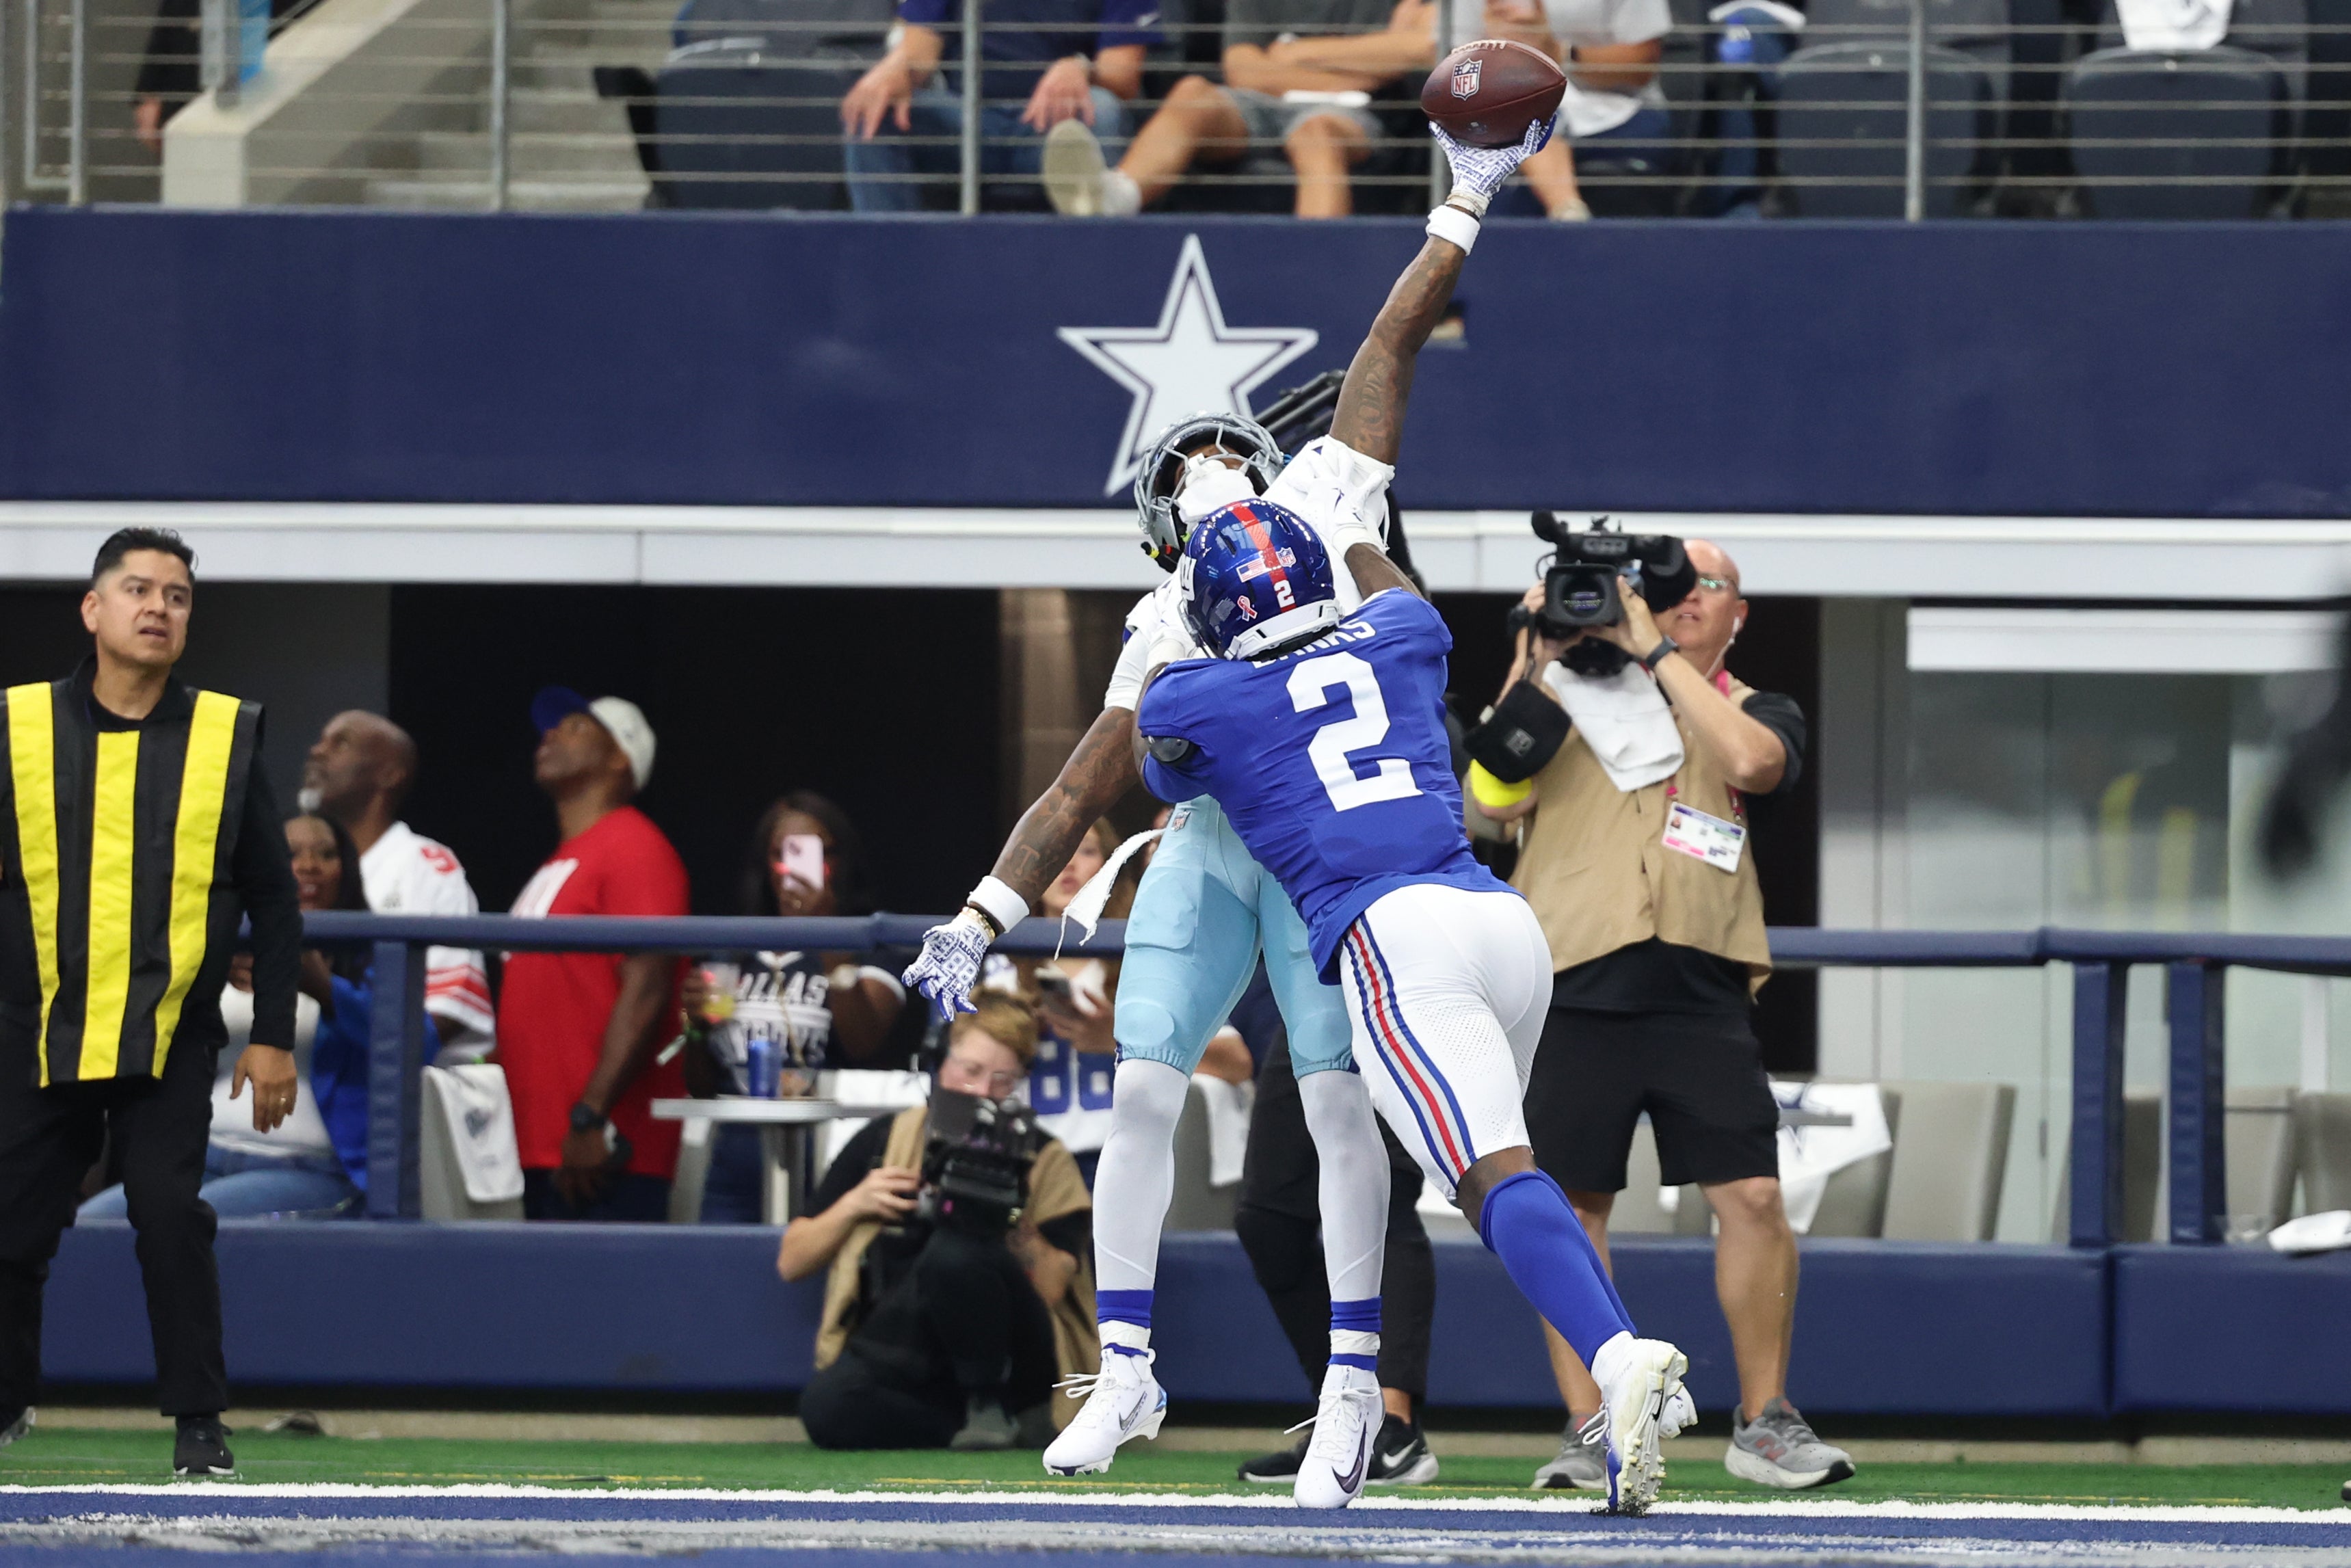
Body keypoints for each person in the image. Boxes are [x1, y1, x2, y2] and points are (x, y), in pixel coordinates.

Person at [1126, 135, 1697, 1515]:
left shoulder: (1199, 685)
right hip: (1508, 930)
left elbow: (1155, 765)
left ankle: (1617, 1358)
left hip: (1393, 944)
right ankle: (1578, 1397)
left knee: (1484, 1175)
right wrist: (1347, 502)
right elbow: (1379, 517)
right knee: (1495, 1171)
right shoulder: (1400, 624)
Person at [1465, 544, 1851, 1492]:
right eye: (1655, 592)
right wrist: (1539, 643)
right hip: (1571, 973)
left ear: (1735, 612)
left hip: (1700, 979)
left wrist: (1649, 648)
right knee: (1574, 1205)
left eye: (1693, 590)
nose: (1671, 605)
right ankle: (1590, 1419)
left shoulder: (1747, 702)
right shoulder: (1557, 695)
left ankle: (1764, 1420)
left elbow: (1757, 765)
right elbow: (1486, 798)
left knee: (1753, 1195)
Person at [0, 528, 302, 1478]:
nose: (159, 607)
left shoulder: (226, 732)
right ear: (93, 610)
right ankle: (7, 1402)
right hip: (31, 1028)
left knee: (171, 1215)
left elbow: (274, 896)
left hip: (170, 1032)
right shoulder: (15, 727)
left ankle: (198, 1422)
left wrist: (274, 1040)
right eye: (138, 589)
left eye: (177, 595)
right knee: (8, 1233)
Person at [81, 814, 441, 1223]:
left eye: (326, 854)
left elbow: (421, 1044)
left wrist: (324, 989)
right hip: (202, 1154)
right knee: (92, 1225)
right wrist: (208, 979)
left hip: (308, 1169)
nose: (309, 865)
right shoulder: (227, 940)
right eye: (291, 854)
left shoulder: (369, 952)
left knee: (181, 1225)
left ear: (346, 869)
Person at [787, 993, 1095, 1451]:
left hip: (1012, 1354)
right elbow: (793, 1259)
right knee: (829, 1409)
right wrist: (857, 1202)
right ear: (938, 1062)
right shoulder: (884, 1140)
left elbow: (1053, 1287)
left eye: (1002, 1079)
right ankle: (970, 1427)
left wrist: (1009, 1221)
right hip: (908, 1353)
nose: (981, 1091)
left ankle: (993, 1402)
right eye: (969, 1071)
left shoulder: (1045, 1157)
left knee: (956, 1251)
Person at [499, 688, 689, 1223]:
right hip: (539, 1146)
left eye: (576, 726)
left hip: (599, 1153)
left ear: (619, 756)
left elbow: (648, 982)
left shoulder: (634, 846)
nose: (551, 734)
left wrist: (589, 1116)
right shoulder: (564, 859)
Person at [680, 792, 907, 1222]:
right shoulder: (731, 951)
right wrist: (695, 1028)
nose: (792, 868)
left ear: (838, 861)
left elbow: (863, 1042)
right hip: (734, 1147)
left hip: (827, 1147)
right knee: (723, 1275)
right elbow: (702, 1085)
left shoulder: (875, 947)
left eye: (811, 852)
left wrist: (829, 937)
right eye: (781, 854)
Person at [1043, 0, 1436, 217]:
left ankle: (1317, 265)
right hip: (1260, 106)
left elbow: (1420, 48)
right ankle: (1115, 198)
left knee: (1315, 136)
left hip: (1356, 115)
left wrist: (1293, 55)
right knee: (1193, 92)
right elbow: (1243, 71)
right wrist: (1366, 65)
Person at [838, 0, 1158, 211]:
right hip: (967, 122)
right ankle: (889, 263)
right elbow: (919, 51)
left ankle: (1091, 271)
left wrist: (1080, 67)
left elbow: (1123, 76)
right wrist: (898, 67)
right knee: (875, 111)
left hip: (1057, 129)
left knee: (1103, 111)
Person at [300, 710, 494, 1058]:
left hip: (388, 1092)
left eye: (340, 744)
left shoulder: (424, 865)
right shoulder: (300, 870)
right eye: (321, 740)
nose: (317, 751)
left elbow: (447, 1013)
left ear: (388, 774)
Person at [1453, 0, 1669, 219]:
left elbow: (1640, 68)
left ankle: (1567, 213)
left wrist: (1556, 51)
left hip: (1616, 110)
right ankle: (1568, 211)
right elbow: (1457, 69)